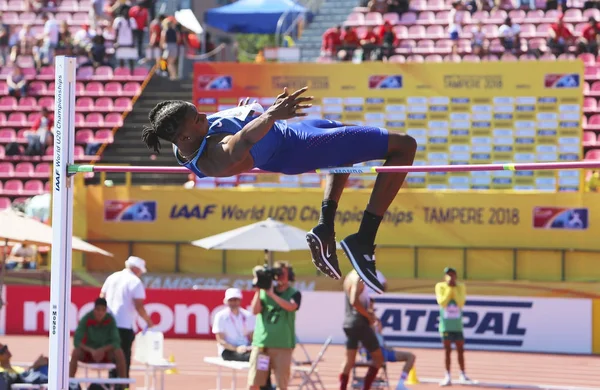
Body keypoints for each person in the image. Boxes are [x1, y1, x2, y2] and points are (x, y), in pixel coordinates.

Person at [140, 88, 417, 294]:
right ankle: (364, 238)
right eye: (198, 118)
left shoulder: (184, 139)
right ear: (187, 136)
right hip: (299, 148)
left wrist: (245, 113)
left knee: (348, 151)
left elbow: (239, 128)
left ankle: (325, 227)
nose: (204, 116)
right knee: (404, 145)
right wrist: (270, 114)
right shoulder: (214, 157)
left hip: (294, 131)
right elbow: (242, 141)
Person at [248, 261, 301, 390]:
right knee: (254, 382)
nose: (280, 276)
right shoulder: (264, 292)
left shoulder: (294, 293)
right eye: (278, 273)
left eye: (283, 273)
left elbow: (291, 306)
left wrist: (272, 294)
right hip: (262, 345)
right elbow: (254, 311)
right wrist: (260, 288)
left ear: (290, 275)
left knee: (281, 385)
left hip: (282, 346)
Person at [100, 256, 154, 379]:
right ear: (136, 269)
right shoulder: (134, 281)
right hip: (124, 325)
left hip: (109, 324)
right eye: (140, 271)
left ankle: (111, 384)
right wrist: (149, 322)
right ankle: (123, 386)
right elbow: (139, 306)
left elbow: (101, 297)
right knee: (123, 359)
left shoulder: (112, 277)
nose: (140, 274)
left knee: (112, 358)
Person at [340, 270, 383, 390]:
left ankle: (342, 387)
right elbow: (354, 301)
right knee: (379, 358)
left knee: (349, 361)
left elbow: (356, 300)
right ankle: (366, 387)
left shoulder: (349, 276)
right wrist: (368, 316)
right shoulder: (359, 277)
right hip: (360, 324)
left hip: (349, 323)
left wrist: (368, 311)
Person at [70, 298, 127, 378]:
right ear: (94, 309)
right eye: (98, 309)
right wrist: (92, 351)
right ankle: (69, 383)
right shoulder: (86, 319)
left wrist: (102, 350)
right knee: (75, 352)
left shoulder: (110, 320)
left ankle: (124, 386)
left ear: (106, 311)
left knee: (119, 352)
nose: (100, 313)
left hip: (105, 354)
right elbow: (76, 341)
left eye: (103, 310)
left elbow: (116, 341)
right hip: (88, 354)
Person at [435, 267, 471, 387]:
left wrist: (454, 288)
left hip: (457, 325)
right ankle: (447, 375)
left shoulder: (461, 286)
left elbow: (460, 302)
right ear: (445, 276)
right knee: (447, 351)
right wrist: (449, 288)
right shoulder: (440, 286)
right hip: (445, 325)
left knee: (461, 350)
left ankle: (462, 374)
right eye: (448, 275)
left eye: (452, 275)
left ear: (456, 276)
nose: (450, 277)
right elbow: (442, 302)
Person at [368, 310, 415, 390]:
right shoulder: (367, 327)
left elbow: (380, 341)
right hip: (379, 353)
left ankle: (400, 384)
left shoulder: (376, 328)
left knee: (411, 356)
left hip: (384, 351)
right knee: (410, 356)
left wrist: (387, 347)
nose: (379, 325)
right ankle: (400, 384)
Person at [212, 288, 255, 361]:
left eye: (235, 300)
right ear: (226, 301)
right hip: (228, 350)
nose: (233, 303)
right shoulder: (220, 316)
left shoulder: (248, 315)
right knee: (250, 358)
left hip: (246, 348)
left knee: (262, 357)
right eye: (230, 300)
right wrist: (236, 348)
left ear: (240, 300)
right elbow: (220, 340)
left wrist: (251, 347)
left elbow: (252, 337)